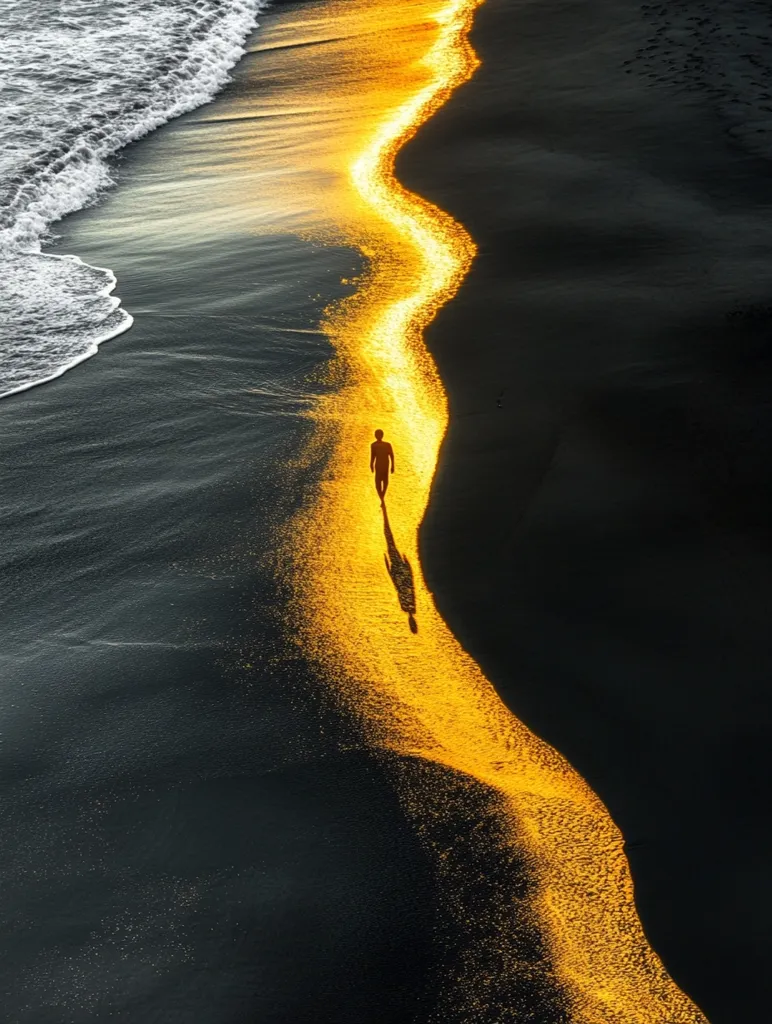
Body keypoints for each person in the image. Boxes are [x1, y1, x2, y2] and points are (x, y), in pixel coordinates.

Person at [370, 429, 394, 503]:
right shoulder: (373, 445)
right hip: (378, 466)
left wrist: (393, 466)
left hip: (385, 466)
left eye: (379, 434)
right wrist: (371, 464)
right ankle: (382, 498)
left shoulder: (387, 445)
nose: (378, 436)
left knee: (385, 482)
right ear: (375, 435)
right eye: (376, 435)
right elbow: (373, 456)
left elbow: (391, 455)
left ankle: (382, 497)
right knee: (377, 484)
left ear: (382, 435)